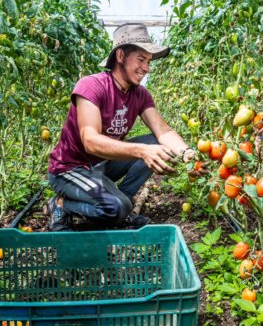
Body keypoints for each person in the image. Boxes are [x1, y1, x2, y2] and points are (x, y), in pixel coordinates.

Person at [47, 23, 196, 231]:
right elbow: (90, 141)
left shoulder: (140, 95)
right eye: (141, 59)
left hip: (102, 165)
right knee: (115, 208)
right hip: (71, 169)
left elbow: (163, 131)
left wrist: (187, 152)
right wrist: (142, 151)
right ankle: (62, 204)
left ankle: (121, 204)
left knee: (157, 143)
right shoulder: (91, 86)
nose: (146, 68)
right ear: (120, 56)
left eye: (149, 62)